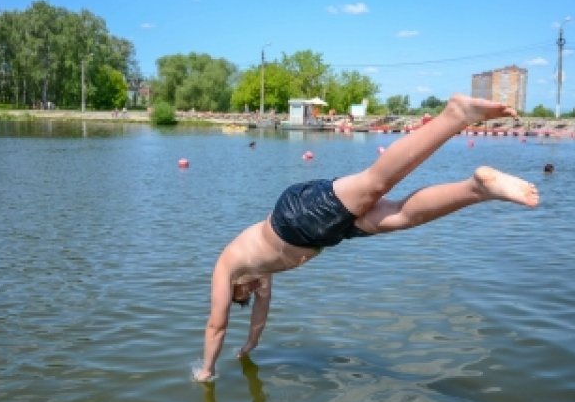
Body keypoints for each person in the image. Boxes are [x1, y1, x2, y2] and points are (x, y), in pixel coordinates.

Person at [193, 94, 541, 382]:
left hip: (296, 216)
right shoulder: (257, 274)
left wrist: (206, 370)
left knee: (375, 182)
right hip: (323, 234)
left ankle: (455, 115)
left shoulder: (226, 266)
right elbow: (259, 319)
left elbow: (216, 324)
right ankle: (477, 189)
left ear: (234, 289)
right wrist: (249, 345)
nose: (253, 293)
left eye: (245, 293)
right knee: (402, 217)